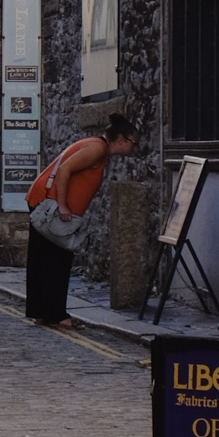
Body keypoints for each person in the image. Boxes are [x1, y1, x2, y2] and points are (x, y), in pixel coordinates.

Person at [24, 114, 136, 328]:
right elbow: (65, 169)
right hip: (49, 205)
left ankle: (42, 312)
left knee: (43, 259)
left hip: (43, 200)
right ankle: (57, 315)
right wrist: (63, 204)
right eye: (134, 142)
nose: (134, 148)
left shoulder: (97, 148)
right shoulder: (97, 149)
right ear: (121, 139)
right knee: (58, 260)